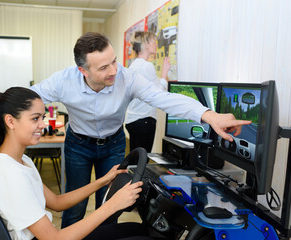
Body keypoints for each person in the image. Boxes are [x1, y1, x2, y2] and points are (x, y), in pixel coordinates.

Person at [30, 32, 251, 228]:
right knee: (74, 206)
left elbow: (164, 99)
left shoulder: (127, 78)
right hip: (77, 145)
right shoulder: (63, 81)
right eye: (104, 67)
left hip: (113, 144)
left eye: (114, 61)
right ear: (83, 71)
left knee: (109, 204)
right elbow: (25, 98)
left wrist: (209, 116)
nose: (114, 71)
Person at [0, 87, 151, 240]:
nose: (43, 125)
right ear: (10, 121)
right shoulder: (9, 174)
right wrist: (113, 205)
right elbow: (54, 238)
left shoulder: (20, 161)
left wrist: (103, 180)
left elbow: (57, 202)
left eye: (42, 117)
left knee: (137, 230)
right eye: (35, 119)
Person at [125, 31, 171, 153]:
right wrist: (164, 73)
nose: (156, 45)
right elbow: (157, 95)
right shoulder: (146, 66)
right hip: (143, 121)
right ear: (146, 44)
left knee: (135, 161)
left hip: (133, 120)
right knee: (141, 162)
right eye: (153, 42)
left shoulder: (135, 65)